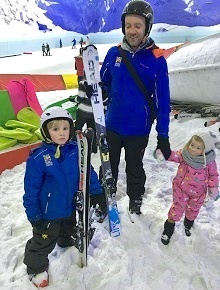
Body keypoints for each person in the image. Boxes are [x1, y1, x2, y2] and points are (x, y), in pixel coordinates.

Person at [100, 0, 171, 215]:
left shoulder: (157, 59)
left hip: (138, 129)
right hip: (112, 125)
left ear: (147, 27)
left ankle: (136, 200)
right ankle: (104, 199)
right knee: (107, 167)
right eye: (128, 25)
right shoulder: (114, 54)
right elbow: (104, 85)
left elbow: (163, 101)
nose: (132, 31)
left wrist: (163, 135)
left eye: (137, 26)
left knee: (135, 168)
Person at [23, 107, 107, 288]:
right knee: (42, 241)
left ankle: (65, 241)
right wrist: (34, 216)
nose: (61, 133)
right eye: (55, 129)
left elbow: (87, 172)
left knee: (67, 228)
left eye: (65, 128)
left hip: (70, 207)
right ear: (46, 131)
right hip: (48, 213)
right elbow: (31, 189)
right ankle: (35, 268)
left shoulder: (75, 150)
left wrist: (97, 192)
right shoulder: (38, 157)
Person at [160, 131, 219, 245]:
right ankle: (168, 228)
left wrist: (214, 188)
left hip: (198, 193)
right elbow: (173, 156)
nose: (193, 149)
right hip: (180, 189)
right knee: (177, 209)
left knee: (193, 210)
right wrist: (163, 153)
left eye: (198, 148)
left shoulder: (209, 162)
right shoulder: (184, 155)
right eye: (192, 145)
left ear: (205, 150)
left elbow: (213, 176)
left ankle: (188, 225)